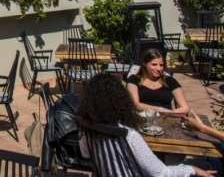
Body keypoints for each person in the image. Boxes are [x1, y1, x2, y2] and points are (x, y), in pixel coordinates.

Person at [78, 73, 215, 177]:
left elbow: (85, 154)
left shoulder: (87, 128)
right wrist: (192, 169)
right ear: (121, 99)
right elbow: (162, 173)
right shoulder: (129, 136)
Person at [126, 48, 190, 115]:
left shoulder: (170, 81)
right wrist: (160, 109)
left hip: (166, 118)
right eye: (154, 65)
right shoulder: (134, 80)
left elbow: (185, 108)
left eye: (161, 65)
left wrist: (170, 112)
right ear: (144, 64)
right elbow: (135, 104)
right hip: (142, 117)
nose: (159, 69)